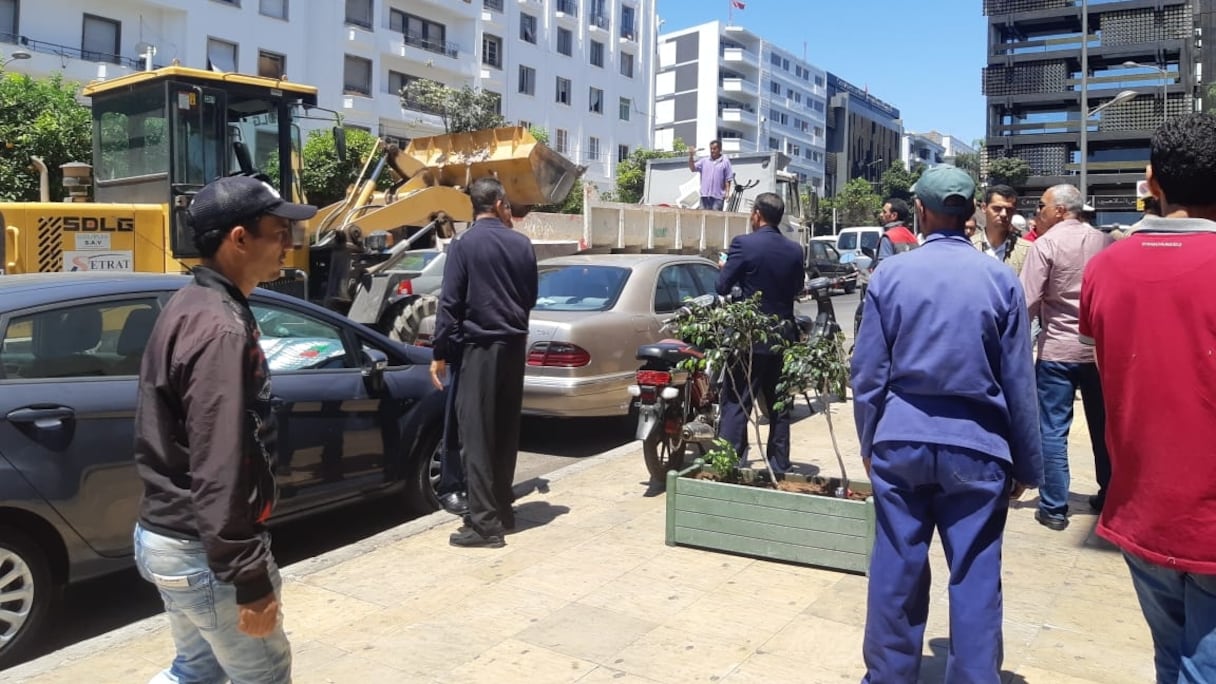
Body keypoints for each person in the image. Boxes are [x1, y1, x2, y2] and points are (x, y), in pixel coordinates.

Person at [852, 165, 1041, 683]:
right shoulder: (1000, 279)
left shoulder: (890, 275)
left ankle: (889, 677)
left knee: (896, 566)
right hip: (978, 450)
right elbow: (1019, 381)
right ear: (973, 211)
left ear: (920, 210)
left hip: (901, 441)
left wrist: (869, 440)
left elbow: (868, 373)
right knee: (976, 572)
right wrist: (1027, 462)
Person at [133, 175, 316, 684]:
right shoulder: (220, 328)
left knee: (196, 672)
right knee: (265, 674)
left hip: (169, 536)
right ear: (239, 239)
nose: (288, 244)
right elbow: (220, 461)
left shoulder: (193, 304)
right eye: (279, 231)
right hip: (203, 552)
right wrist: (250, 577)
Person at [1081, 112, 1216, 684]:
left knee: (1171, 659)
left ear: (1151, 181)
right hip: (1207, 520)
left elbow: (1099, 356)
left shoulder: (1106, 267)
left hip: (1140, 512)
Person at [430, 177, 538, 548]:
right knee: (505, 434)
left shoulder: (464, 245)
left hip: (479, 348)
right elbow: (530, 297)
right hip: (514, 347)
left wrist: (440, 352)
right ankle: (503, 511)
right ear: (499, 203)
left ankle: (485, 525)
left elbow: (450, 304)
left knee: (475, 436)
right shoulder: (522, 244)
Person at [1019, 184, 1113, 530]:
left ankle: (1054, 507)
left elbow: (1027, 301)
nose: (1038, 211)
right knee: (1105, 427)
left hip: (1058, 351)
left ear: (1059, 210)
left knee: (1053, 429)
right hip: (1099, 353)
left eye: (1042, 205)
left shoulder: (1046, 244)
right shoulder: (1105, 242)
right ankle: (1109, 494)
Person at [715, 192, 805, 477]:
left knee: (737, 402)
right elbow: (797, 289)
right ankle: (779, 465)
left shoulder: (744, 244)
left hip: (748, 339)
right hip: (782, 339)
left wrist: (725, 268)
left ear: (756, 214)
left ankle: (730, 463)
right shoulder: (794, 250)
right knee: (779, 406)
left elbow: (721, 286)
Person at [974, 184, 1032, 274]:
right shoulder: (969, 247)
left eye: (1009, 210)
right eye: (997, 208)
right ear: (984, 208)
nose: (1003, 214)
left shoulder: (1027, 251)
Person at [687, 139, 734, 210]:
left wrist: (727, 193)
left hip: (718, 198)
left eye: (714, 149)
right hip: (704, 197)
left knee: (715, 219)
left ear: (719, 149)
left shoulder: (725, 162)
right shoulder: (704, 161)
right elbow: (692, 168)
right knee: (703, 219)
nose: (712, 151)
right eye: (711, 149)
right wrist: (691, 156)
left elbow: (728, 178)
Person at [874, 198, 918, 263]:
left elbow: (884, 267)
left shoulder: (888, 237)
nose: (881, 214)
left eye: (884, 212)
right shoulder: (912, 237)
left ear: (894, 215)